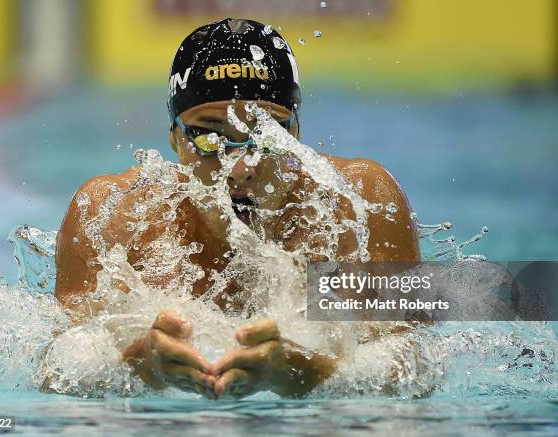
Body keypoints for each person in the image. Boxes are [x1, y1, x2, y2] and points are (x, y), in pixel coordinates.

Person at [53, 18, 420, 399]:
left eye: (266, 134)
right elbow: (55, 370)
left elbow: (418, 363)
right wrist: (134, 366)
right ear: (175, 138)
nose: (242, 168)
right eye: (210, 138)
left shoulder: (357, 204)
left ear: (295, 134)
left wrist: (311, 373)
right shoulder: (115, 216)